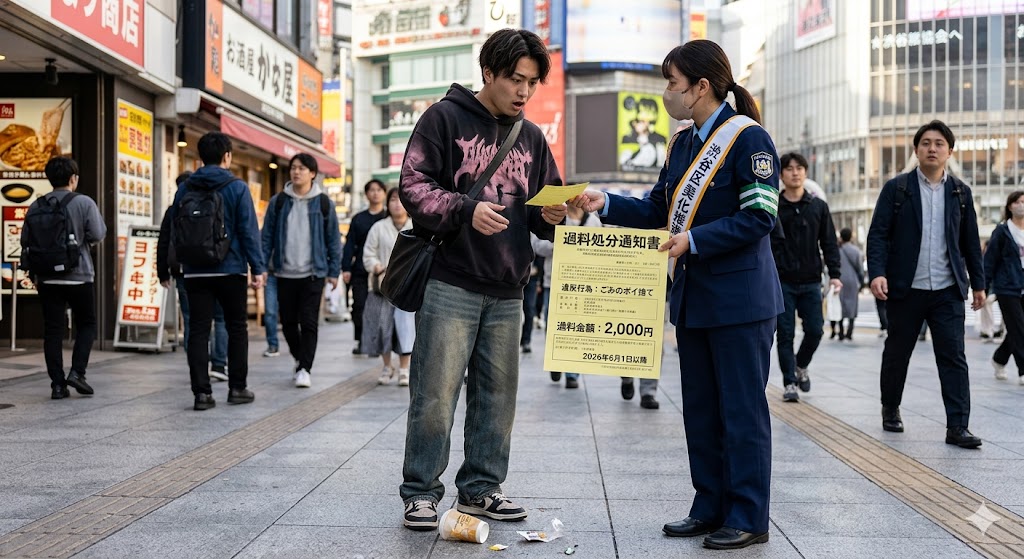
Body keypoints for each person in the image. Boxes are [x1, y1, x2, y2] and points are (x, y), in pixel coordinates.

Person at [573, 39, 782, 550]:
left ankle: (749, 515)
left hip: (740, 303)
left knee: (742, 411)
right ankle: (709, 505)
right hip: (694, 300)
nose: (667, 93)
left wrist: (697, 240)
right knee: (703, 411)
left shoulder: (749, 139)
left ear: (701, 87)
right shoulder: (682, 144)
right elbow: (658, 210)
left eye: (672, 83)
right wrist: (607, 201)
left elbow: (760, 215)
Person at [397, 28, 567, 531]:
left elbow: (540, 212)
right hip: (451, 282)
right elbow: (413, 185)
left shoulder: (532, 137)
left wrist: (554, 213)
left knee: (498, 398)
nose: (523, 92)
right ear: (488, 73)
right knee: (435, 394)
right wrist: (466, 210)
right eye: (515, 79)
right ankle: (421, 492)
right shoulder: (443, 119)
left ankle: (481, 489)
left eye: (532, 83)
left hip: (509, 290)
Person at [867, 120, 985, 448]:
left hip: (947, 290)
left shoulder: (961, 192)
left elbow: (971, 242)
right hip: (906, 289)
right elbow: (878, 234)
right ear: (916, 150)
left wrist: (978, 284)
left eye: (939, 143)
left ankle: (958, 426)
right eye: (926, 143)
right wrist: (877, 273)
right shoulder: (898, 189)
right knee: (897, 353)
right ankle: (890, 408)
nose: (932, 148)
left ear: (949, 151)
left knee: (953, 357)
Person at [173, 132, 266, 411]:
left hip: (195, 270)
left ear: (200, 157)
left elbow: (176, 227)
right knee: (237, 327)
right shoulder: (237, 188)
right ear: (227, 156)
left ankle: (202, 393)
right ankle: (237, 388)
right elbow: (249, 231)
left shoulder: (185, 187)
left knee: (198, 330)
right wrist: (257, 267)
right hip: (231, 268)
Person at [22, 156, 106, 399]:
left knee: (53, 330)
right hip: (79, 275)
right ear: (73, 178)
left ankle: (57, 385)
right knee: (87, 324)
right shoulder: (84, 203)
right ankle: (77, 372)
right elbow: (98, 233)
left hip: (47, 278)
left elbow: (25, 240)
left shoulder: (36, 206)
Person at [261, 153, 342, 389]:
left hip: (313, 273)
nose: (297, 172)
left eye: (302, 168)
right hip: (283, 273)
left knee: (308, 322)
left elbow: (333, 240)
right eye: (294, 168)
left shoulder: (323, 203)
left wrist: (334, 270)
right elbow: (266, 238)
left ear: (313, 173)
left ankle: (305, 368)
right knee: (287, 324)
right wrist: (261, 267)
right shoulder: (278, 202)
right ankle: (299, 357)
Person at [771, 152, 841, 403]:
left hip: (812, 280)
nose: (795, 172)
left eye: (799, 168)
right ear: (781, 175)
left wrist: (835, 274)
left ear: (806, 173)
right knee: (785, 334)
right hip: (782, 280)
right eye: (789, 169)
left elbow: (829, 243)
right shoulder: (774, 206)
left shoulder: (818, 207)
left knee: (815, 330)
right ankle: (789, 382)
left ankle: (801, 365)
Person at [158, 171, 229, 382]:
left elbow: (164, 242)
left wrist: (163, 272)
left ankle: (197, 366)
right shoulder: (216, 202)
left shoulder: (174, 209)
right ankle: (218, 364)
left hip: (184, 270)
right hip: (216, 267)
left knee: (192, 321)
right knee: (220, 319)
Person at [531, 204, 603, 390]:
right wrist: (561, 242)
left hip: (583, 285)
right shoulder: (554, 217)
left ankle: (572, 374)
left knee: (577, 330)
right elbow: (537, 245)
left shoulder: (594, 222)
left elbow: (601, 251)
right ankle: (555, 362)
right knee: (553, 327)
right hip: (554, 281)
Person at [362, 187, 416, 386]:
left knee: (406, 328)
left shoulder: (416, 226)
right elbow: (368, 253)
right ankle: (387, 366)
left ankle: (404, 368)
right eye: (393, 200)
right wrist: (375, 265)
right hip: (381, 286)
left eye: (401, 200)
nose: (396, 204)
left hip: (406, 287)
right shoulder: (378, 227)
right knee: (382, 326)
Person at [341, 179, 387, 356]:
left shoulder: (387, 218)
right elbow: (349, 244)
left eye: (378, 190)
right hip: (360, 270)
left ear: (383, 193)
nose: (375, 193)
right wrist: (345, 268)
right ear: (366, 194)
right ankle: (361, 340)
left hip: (383, 271)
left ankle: (377, 342)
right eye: (371, 190)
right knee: (359, 307)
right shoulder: (358, 219)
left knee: (380, 309)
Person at [984, 191, 1024, 386]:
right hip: (1007, 286)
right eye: (1017, 202)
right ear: (1010, 206)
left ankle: (999, 359)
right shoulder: (1002, 231)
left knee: (1019, 329)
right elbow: (989, 260)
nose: (1021, 205)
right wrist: (982, 287)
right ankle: (1023, 370)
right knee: (1018, 326)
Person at [836, 228, 865, 341]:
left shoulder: (838, 250)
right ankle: (850, 331)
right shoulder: (856, 250)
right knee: (852, 304)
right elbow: (860, 268)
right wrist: (861, 281)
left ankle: (841, 332)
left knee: (841, 305)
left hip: (840, 280)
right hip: (853, 281)